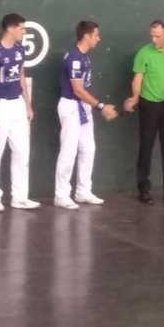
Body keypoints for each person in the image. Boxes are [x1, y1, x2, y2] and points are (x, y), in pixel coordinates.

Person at [123, 20, 164, 206]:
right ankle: (144, 190)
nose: (154, 39)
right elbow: (137, 79)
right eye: (152, 35)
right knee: (146, 147)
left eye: (157, 36)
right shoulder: (144, 53)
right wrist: (134, 97)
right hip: (149, 105)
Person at [55, 20, 117, 209]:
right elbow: (78, 90)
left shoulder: (85, 57)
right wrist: (101, 107)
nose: (99, 38)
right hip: (71, 107)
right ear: (86, 36)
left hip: (84, 107)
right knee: (69, 151)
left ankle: (82, 192)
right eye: (96, 35)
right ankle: (61, 195)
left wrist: (94, 106)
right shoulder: (74, 58)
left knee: (88, 149)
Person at [0, 13, 40, 212]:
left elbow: (21, 76)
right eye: (21, 28)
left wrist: (28, 105)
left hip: (18, 105)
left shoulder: (20, 49)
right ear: (10, 28)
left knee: (22, 152)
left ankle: (19, 197)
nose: (24, 32)